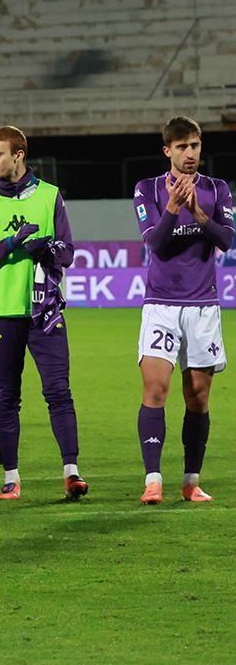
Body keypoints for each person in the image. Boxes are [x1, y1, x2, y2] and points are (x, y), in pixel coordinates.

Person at [0, 126, 88, 500]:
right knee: (6, 396)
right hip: (1, 310)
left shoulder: (50, 197)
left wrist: (46, 248)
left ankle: (72, 472)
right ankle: (11, 477)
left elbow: (67, 252)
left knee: (59, 391)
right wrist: (13, 244)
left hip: (44, 310)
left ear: (19, 155)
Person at [132, 116, 232, 504]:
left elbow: (225, 239)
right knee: (155, 389)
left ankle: (191, 481)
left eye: (195, 146)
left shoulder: (217, 189)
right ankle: (153, 480)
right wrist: (174, 207)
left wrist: (199, 213)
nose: (190, 154)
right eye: (183, 147)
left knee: (198, 398)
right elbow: (155, 244)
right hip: (160, 304)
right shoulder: (148, 189)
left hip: (203, 306)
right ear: (168, 150)